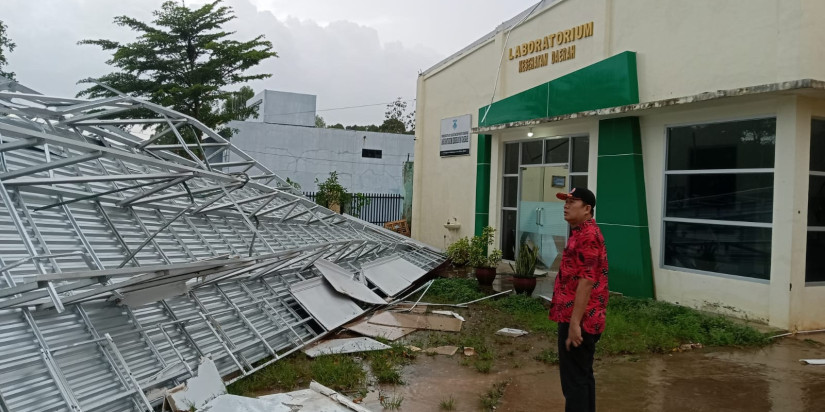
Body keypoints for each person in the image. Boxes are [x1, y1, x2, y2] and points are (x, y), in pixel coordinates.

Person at [549, 187, 608, 412]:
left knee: (574, 382)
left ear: (587, 209)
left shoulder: (588, 236)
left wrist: (575, 324)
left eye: (572, 201)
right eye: (565, 201)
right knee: (582, 378)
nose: (566, 205)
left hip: (580, 320)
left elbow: (587, 280)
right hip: (576, 316)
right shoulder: (580, 233)